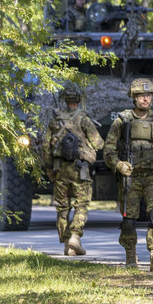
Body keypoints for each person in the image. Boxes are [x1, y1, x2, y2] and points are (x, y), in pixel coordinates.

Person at [103, 78, 153, 271]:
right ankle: (130, 255)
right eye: (141, 96)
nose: (145, 99)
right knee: (128, 221)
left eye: (148, 95)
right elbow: (108, 149)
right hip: (131, 177)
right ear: (133, 98)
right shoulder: (123, 121)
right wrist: (118, 164)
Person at [42, 83, 104, 256]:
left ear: (65, 100)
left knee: (62, 208)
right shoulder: (84, 119)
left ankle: (66, 243)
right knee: (81, 205)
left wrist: (49, 170)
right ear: (78, 100)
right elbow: (99, 143)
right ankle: (75, 237)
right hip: (80, 170)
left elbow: (46, 147)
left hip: (60, 169)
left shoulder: (55, 122)